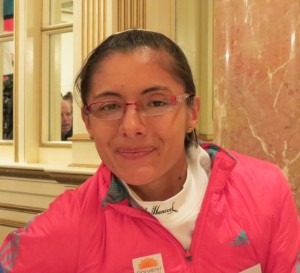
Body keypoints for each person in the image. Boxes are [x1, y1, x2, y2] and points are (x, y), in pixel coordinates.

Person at [0, 29, 299, 273]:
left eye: (156, 102)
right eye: (110, 107)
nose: (131, 126)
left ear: (192, 112)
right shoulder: (71, 224)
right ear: (88, 122)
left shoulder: (264, 190)